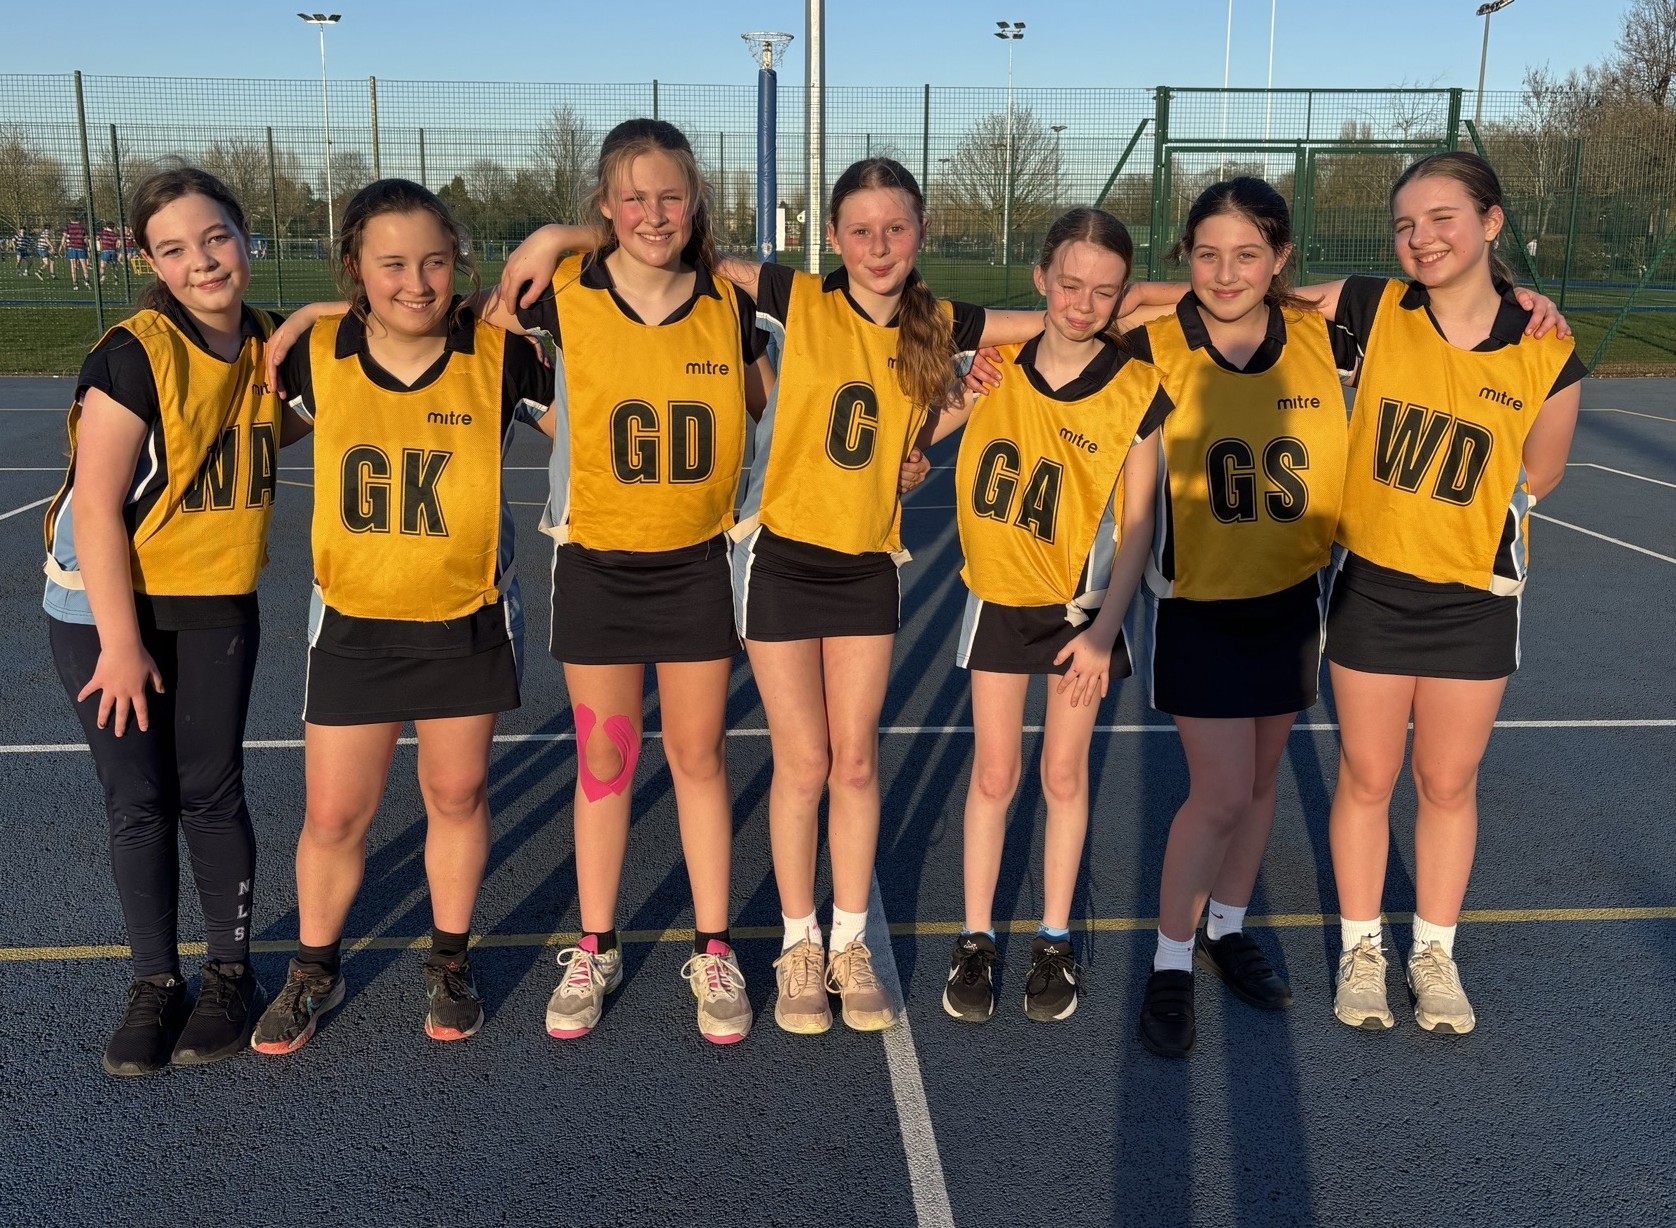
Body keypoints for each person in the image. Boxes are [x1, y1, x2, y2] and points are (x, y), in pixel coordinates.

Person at [477, 119, 770, 1044]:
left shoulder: (732, 307)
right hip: (597, 563)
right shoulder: (563, 297)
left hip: (694, 567)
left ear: (697, 205)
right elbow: (485, 341)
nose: (653, 213)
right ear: (605, 206)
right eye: (632, 197)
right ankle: (596, 942)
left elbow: (766, 412)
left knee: (699, 758)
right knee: (604, 761)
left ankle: (714, 948)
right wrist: (554, 243)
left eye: (670, 196)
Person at [249, 178, 555, 1054]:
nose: (416, 281)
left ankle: (449, 958)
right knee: (335, 814)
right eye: (391, 264)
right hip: (354, 618)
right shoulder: (314, 355)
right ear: (354, 268)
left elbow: (593, 434)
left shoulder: (501, 354)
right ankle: (316, 964)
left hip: (465, 612)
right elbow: (244, 431)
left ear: (459, 261)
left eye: (433, 260)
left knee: (456, 794)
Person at [1297, 152, 1585, 1035]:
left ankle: (1434, 953)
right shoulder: (1371, 308)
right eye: (1405, 225)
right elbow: (1232, 296)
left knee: (1448, 782)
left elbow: (1541, 474)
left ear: (1492, 223)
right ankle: (1360, 949)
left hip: (1475, 597)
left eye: (1442, 218)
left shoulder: (1548, 351)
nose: (1420, 238)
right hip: (1373, 586)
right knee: (1368, 773)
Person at [41, 168, 311, 1075]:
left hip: (211, 597)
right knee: (140, 798)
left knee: (213, 788)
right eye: (174, 249)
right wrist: (119, 643)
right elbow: (94, 509)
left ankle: (229, 974)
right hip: (106, 606)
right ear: (148, 260)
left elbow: (292, 412)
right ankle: (155, 980)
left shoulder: (272, 344)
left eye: (215, 238)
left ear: (247, 236)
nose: (201, 261)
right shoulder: (134, 353)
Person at [1124, 178, 1359, 1057]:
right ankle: (1171, 960)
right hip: (1201, 608)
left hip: (1294, 599)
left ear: (1282, 259)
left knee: (1261, 785)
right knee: (1218, 793)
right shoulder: (1154, 348)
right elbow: (1064, 327)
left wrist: (1525, 295)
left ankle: (1225, 926)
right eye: (1208, 253)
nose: (1227, 273)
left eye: (1249, 254)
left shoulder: (1319, 333)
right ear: (1184, 256)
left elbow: (1418, 289)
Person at [932, 208, 1166, 1025]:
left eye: (1103, 291)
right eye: (1069, 283)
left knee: (1063, 777)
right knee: (995, 775)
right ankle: (974, 937)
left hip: (1083, 613)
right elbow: (916, 441)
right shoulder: (995, 366)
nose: (1082, 302)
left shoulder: (1137, 389)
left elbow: (1141, 526)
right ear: (1040, 280)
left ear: (1121, 297)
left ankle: (1056, 939)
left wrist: (1107, 631)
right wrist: (957, 390)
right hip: (999, 596)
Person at [62, 217, 91, 290]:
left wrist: (63, 245)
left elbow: (64, 237)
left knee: (73, 266)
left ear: (70, 219)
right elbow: (86, 239)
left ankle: (75, 283)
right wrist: (88, 247)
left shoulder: (68, 226)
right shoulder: (83, 227)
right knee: (84, 265)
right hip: (81, 247)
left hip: (72, 248)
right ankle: (86, 280)